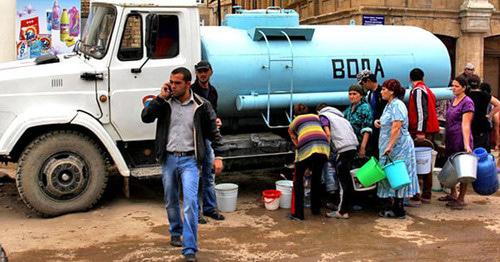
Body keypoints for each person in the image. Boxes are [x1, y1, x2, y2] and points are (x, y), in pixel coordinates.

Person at [141, 67, 224, 262]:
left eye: (177, 83)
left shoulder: (202, 105)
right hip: (169, 159)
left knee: (190, 203)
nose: (173, 85)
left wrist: (218, 156)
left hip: (190, 160)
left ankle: (189, 249)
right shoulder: (164, 103)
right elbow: (146, 117)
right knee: (170, 200)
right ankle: (175, 232)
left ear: (188, 84)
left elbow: (213, 132)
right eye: (171, 81)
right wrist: (160, 97)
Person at [374, 79, 419, 219]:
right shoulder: (389, 105)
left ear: (391, 91)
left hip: (398, 147)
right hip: (389, 146)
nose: (381, 92)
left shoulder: (398, 105)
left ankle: (399, 208)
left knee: (397, 174)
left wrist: (389, 146)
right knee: (389, 175)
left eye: (384, 89)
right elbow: (389, 122)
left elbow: (396, 127)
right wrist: (379, 123)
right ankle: (392, 204)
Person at [191, 61, 224, 224]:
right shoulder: (191, 91)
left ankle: (210, 209)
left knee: (209, 175)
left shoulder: (213, 91)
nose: (202, 74)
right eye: (200, 72)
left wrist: (216, 120)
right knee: (194, 176)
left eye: (205, 71)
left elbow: (213, 113)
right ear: (196, 73)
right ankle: (196, 212)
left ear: (211, 72)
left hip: (208, 137)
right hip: (195, 138)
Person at [438, 75, 474, 210]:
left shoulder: (467, 102)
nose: (454, 88)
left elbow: (466, 124)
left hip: (461, 139)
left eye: (457, 86)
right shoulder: (453, 99)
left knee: (463, 168)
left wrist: (466, 145)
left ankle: (461, 198)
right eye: (453, 85)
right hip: (451, 138)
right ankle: (453, 193)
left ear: (464, 88)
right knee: (451, 166)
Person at [288, 104, 330, 220]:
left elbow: (291, 133)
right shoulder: (315, 117)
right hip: (323, 146)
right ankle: (315, 210)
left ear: (295, 114)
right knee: (316, 179)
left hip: (307, 146)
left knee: (298, 181)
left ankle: (298, 214)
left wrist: (297, 145)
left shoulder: (295, 120)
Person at [317, 104, 358, 219]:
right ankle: (346, 207)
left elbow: (328, 133)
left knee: (342, 182)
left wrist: (327, 149)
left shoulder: (323, 116)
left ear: (318, 111)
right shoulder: (341, 118)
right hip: (352, 147)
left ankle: (342, 212)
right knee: (347, 180)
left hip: (342, 149)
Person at [407, 68, 440, 204]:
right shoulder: (427, 90)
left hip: (422, 131)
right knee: (425, 162)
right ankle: (425, 193)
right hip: (428, 129)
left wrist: (420, 132)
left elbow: (421, 112)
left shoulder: (418, 91)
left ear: (410, 78)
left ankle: (421, 193)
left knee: (421, 162)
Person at [357, 69, 387, 158]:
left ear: (368, 81)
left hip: (382, 128)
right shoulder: (370, 94)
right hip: (374, 129)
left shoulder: (382, 93)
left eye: (362, 83)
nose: (363, 86)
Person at [467, 75, 500, 153]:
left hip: (470, 123)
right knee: (483, 151)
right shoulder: (484, 95)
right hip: (482, 124)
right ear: (479, 83)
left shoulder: (466, 95)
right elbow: (498, 104)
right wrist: (489, 115)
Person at [343, 84, 373, 160]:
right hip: (351, 146)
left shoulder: (365, 107)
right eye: (350, 94)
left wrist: (363, 148)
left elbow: (367, 129)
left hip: (362, 145)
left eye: (354, 94)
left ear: (361, 95)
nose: (352, 96)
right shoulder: (348, 109)